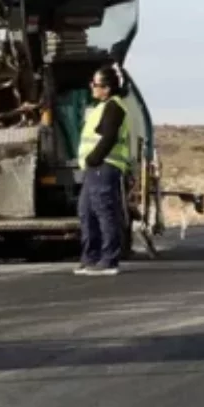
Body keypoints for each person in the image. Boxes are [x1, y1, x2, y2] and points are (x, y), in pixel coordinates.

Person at [75, 63, 132, 276]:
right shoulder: (102, 106)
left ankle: (109, 259)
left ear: (107, 88)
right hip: (95, 169)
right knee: (86, 212)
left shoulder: (114, 106)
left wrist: (94, 158)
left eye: (95, 84)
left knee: (104, 211)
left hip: (104, 166)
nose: (92, 87)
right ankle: (90, 258)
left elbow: (109, 137)